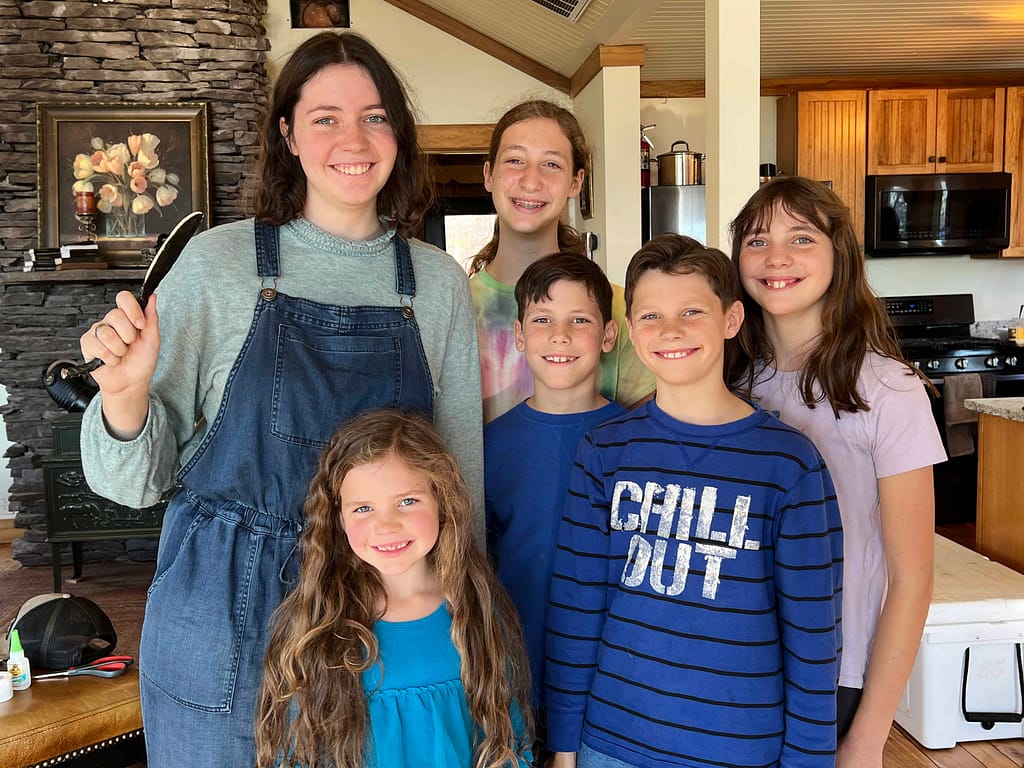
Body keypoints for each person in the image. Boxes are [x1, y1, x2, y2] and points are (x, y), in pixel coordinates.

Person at [76, 32, 483, 768]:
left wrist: (467, 619)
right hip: (221, 611)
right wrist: (127, 396)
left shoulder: (438, 285)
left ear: (398, 133)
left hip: (374, 609)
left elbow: (458, 482)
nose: (353, 139)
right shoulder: (217, 264)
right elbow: (130, 484)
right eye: (325, 116)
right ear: (288, 133)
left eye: (376, 116)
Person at [545, 234, 844, 768]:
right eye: (651, 316)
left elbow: (813, 638)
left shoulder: (789, 464)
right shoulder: (606, 451)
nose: (671, 331)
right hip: (612, 743)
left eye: (691, 311)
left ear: (731, 319)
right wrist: (564, 746)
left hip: (740, 749)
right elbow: (577, 607)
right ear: (631, 332)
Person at [727, 176, 946, 768]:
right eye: (756, 239)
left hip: (833, 668)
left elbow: (911, 580)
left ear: (839, 255)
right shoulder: (728, 384)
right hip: (733, 661)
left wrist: (870, 738)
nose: (776, 258)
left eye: (801, 239)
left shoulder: (889, 390)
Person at [255, 410, 532, 768]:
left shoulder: (475, 609)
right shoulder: (320, 623)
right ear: (339, 519)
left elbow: (508, 741)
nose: (386, 525)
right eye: (364, 508)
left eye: (407, 501)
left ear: (442, 499)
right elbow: (293, 754)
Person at [485, 252, 626, 756]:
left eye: (579, 321)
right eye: (543, 320)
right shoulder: (489, 445)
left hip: (613, 685)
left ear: (608, 336)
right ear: (520, 336)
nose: (560, 336)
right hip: (515, 677)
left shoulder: (637, 441)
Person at [469, 99, 654, 423]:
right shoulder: (457, 306)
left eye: (551, 164)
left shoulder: (617, 309)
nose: (530, 181)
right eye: (515, 160)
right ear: (489, 174)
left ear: (576, 182)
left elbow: (650, 438)